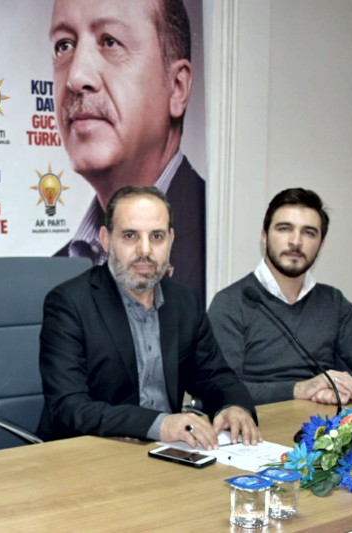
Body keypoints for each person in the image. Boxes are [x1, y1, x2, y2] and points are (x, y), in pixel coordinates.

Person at [38, 186, 261, 450]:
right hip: (89, 453)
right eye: (130, 235)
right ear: (106, 240)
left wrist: (233, 406)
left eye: (156, 236)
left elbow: (216, 376)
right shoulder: (69, 303)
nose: (145, 250)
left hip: (170, 452)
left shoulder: (185, 301)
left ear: (171, 240)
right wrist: (158, 425)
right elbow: (68, 406)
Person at [50, 0, 206, 293]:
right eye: (64, 45)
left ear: (177, 87)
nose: (76, 77)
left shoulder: (224, 241)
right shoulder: (54, 280)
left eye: (110, 42)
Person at [208, 188, 352, 406]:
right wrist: (299, 389)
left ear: (321, 244)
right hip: (259, 420)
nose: (296, 241)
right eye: (284, 228)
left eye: (309, 232)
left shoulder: (333, 302)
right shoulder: (230, 303)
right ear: (264, 236)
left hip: (322, 418)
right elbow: (221, 387)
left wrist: (350, 386)